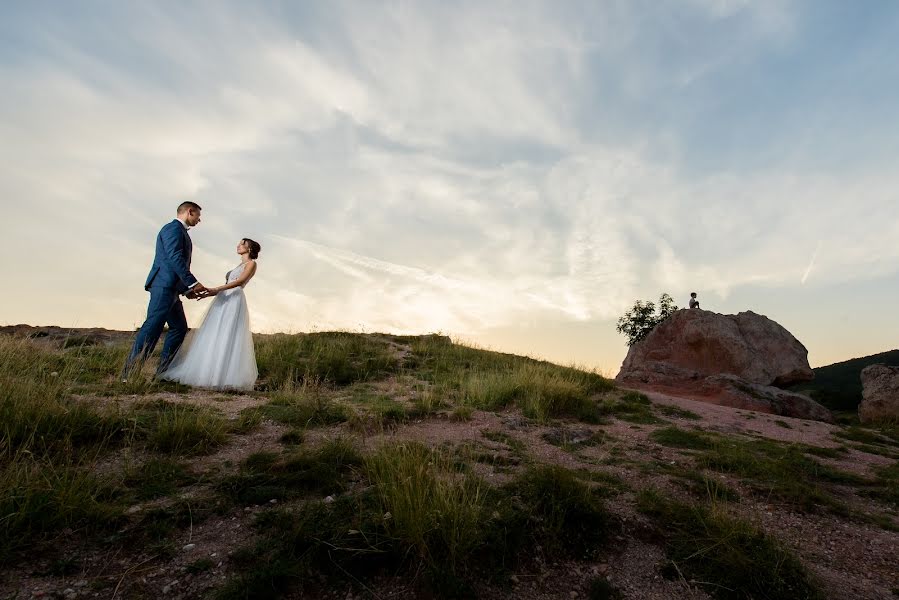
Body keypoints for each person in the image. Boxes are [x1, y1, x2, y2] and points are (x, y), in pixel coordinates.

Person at [159, 239, 260, 390]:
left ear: (249, 248)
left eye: (242, 243)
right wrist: (208, 294)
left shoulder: (251, 264)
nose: (238, 245)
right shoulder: (238, 265)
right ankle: (209, 373)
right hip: (224, 297)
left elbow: (240, 282)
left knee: (228, 333)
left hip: (234, 299)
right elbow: (227, 285)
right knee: (215, 333)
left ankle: (223, 376)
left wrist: (215, 289)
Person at [122, 202, 207, 381]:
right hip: (163, 286)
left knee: (179, 328)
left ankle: (163, 372)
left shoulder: (181, 232)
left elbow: (175, 263)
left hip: (173, 289)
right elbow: (174, 258)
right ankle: (128, 375)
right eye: (197, 215)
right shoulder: (173, 229)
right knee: (152, 326)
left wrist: (185, 289)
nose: (199, 220)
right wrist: (192, 283)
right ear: (189, 212)